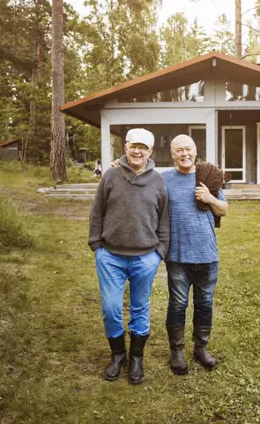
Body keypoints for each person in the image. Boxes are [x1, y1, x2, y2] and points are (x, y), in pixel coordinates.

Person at [88, 128, 169, 385]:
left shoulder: (158, 180)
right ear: (125, 147)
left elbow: (164, 218)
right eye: (134, 146)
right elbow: (97, 211)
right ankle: (118, 355)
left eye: (143, 147)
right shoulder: (110, 176)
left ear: (150, 152)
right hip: (110, 256)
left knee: (139, 308)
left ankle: (136, 359)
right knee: (111, 308)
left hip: (145, 257)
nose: (137, 151)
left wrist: (160, 252)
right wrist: (96, 245)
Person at [163, 135, 228, 375]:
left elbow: (225, 209)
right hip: (177, 256)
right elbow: (140, 172)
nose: (184, 153)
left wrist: (209, 198)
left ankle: (201, 349)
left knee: (205, 304)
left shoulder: (207, 177)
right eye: (179, 150)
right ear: (172, 154)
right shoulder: (164, 180)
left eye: (188, 149)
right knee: (178, 304)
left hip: (207, 255)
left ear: (195, 150)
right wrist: (119, 161)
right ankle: (177, 351)